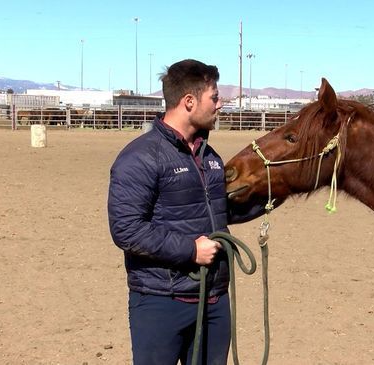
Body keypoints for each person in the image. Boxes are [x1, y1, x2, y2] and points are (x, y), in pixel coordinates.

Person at [108, 59, 261, 365]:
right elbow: (126, 229)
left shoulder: (211, 157)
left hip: (214, 299)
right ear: (189, 102)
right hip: (161, 301)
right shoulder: (140, 157)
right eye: (214, 97)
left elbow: (219, 211)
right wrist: (190, 250)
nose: (220, 105)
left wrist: (277, 195)